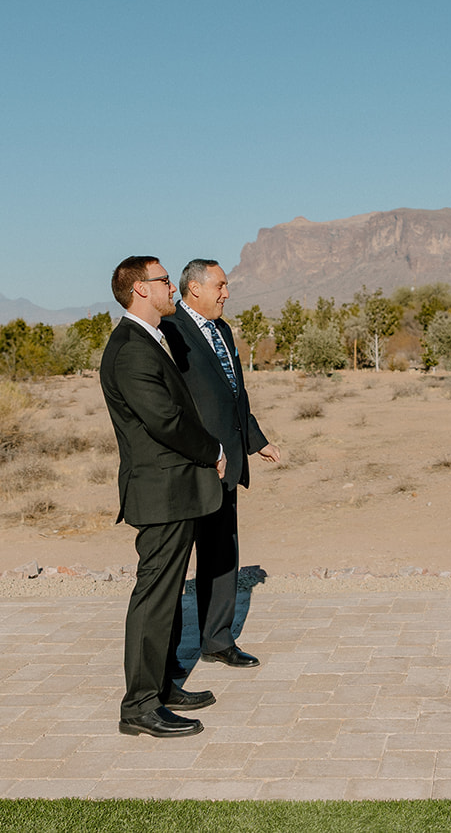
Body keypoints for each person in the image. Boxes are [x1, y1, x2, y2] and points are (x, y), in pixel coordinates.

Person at [100, 255, 227, 738]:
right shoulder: (131, 349)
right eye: (165, 281)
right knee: (154, 597)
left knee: (169, 592)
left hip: (176, 490)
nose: (173, 288)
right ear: (139, 289)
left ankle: (165, 684)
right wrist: (212, 449)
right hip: (161, 490)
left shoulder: (151, 339)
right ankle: (139, 706)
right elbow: (165, 421)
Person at [161, 258, 280, 669]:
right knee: (177, 566)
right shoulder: (171, 329)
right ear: (194, 289)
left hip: (227, 461)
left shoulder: (223, 330)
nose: (227, 294)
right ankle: (170, 656)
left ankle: (217, 641)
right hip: (191, 463)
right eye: (221, 286)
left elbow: (234, 394)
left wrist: (254, 440)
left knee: (221, 554)